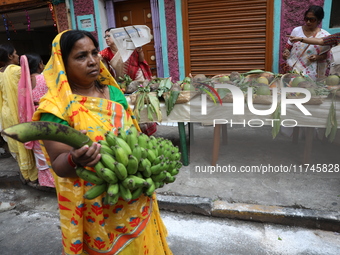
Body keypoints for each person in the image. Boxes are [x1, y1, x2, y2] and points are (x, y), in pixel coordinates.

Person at [32, 30, 172, 255]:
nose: (92, 61)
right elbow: (59, 165)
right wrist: (74, 158)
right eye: (80, 56)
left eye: (94, 53)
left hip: (136, 197)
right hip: (97, 208)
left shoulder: (114, 95)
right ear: (62, 63)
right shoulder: (55, 109)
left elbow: (135, 139)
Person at [0, 43, 38, 183]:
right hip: (18, 112)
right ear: (10, 56)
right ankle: (33, 176)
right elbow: (28, 90)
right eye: (15, 53)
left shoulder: (0, 73)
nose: (17, 56)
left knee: (15, 143)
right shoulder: (16, 70)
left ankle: (25, 173)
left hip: (6, 113)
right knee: (24, 143)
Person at [18, 53, 54, 188]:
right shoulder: (45, 79)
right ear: (40, 64)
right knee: (50, 148)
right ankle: (55, 181)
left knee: (39, 150)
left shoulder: (23, 82)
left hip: (31, 119)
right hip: (45, 116)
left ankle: (45, 181)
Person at [282, 5, 331, 80]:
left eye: (312, 20)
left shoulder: (325, 36)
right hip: (293, 70)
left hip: (312, 74)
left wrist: (318, 57)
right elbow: (288, 47)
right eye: (306, 19)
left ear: (319, 20)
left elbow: (327, 55)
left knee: (309, 90)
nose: (308, 22)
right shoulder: (296, 31)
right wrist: (286, 52)